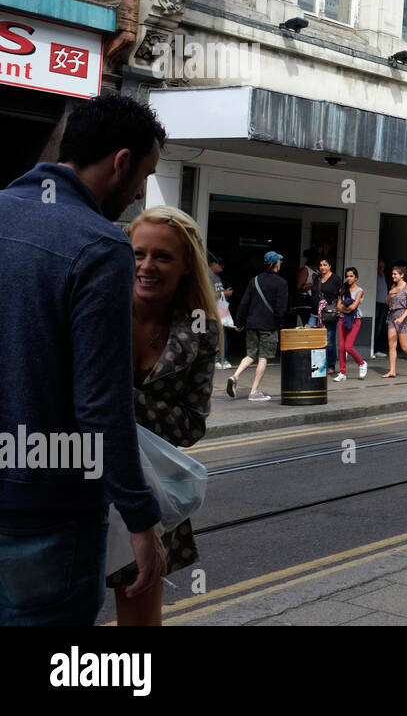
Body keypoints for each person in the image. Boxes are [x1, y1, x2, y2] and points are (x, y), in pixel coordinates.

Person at [0, 92, 167, 625]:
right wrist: (142, 522)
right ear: (121, 162)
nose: (142, 190)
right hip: (45, 511)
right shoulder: (99, 246)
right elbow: (100, 405)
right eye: (144, 173)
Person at [110, 206, 218, 626]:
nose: (147, 266)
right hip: (76, 474)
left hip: (149, 488)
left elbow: (192, 424)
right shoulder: (97, 310)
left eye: (163, 257)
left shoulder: (199, 330)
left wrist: (111, 398)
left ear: (187, 263)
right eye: (138, 254)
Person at [228, 251, 289, 402]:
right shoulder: (281, 283)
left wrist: (239, 323)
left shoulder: (254, 280)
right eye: (279, 262)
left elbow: (244, 303)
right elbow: (282, 309)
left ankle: (235, 376)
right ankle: (253, 392)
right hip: (269, 326)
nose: (280, 264)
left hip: (252, 324)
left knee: (250, 354)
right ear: (276, 264)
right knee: (263, 357)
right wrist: (278, 324)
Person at [311, 256, 343, 374]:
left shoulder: (336, 279)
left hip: (329, 314)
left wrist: (339, 308)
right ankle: (317, 366)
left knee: (329, 341)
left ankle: (331, 365)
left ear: (330, 266)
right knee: (313, 339)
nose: (322, 267)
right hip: (315, 313)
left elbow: (341, 295)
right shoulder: (317, 278)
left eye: (325, 265)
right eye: (320, 265)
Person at [335, 267, 367, 381]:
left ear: (356, 277)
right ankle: (342, 373)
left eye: (351, 276)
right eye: (347, 276)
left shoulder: (360, 291)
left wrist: (344, 309)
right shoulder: (342, 289)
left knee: (348, 346)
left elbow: (354, 307)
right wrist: (346, 310)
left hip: (355, 320)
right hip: (342, 320)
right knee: (341, 347)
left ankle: (362, 363)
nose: (349, 278)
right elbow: (338, 306)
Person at [209, 252, 235, 370]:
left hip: (219, 310)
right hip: (211, 311)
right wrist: (225, 293)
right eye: (221, 264)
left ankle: (220, 359)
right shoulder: (207, 275)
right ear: (213, 264)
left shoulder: (217, 277)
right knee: (218, 335)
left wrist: (224, 294)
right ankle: (218, 360)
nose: (222, 267)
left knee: (220, 335)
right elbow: (209, 294)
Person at [372, 258, 388, 358]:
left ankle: (377, 349)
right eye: (380, 266)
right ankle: (373, 350)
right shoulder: (376, 276)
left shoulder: (383, 276)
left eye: (383, 266)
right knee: (376, 327)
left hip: (383, 304)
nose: (381, 268)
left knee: (379, 327)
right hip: (377, 304)